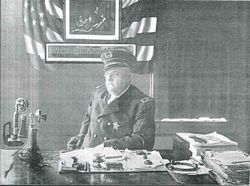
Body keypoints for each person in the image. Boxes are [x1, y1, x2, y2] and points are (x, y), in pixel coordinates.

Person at [67, 48, 155, 150]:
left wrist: (108, 146)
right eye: (107, 74)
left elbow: (142, 139)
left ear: (128, 77)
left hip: (117, 159)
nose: (109, 79)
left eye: (115, 74)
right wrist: (81, 136)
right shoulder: (98, 92)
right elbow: (89, 117)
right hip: (87, 154)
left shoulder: (142, 103)